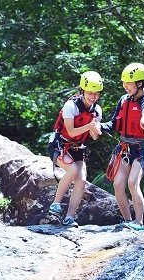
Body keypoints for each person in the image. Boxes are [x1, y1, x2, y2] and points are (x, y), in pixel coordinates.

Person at [100, 62, 144, 231]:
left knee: (133, 182)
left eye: (128, 83)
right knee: (118, 184)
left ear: (140, 83)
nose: (125, 87)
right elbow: (113, 123)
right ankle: (128, 220)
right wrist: (99, 126)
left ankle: (139, 223)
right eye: (124, 83)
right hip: (125, 148)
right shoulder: (123, 100)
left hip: (142, 149)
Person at [46, 71, 103, 227]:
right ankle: (55, 204)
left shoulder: (96, 111)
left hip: (77, 148)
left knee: (82, 179)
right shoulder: (71, 106)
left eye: (96, 93)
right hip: (59, 144)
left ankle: (69, 217)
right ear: (82, 91)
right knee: (72, 170)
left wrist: (95, 130)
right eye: (90, 93)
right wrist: (89, 126)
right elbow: (71, 131)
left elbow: (94, 137)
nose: (93, 96)